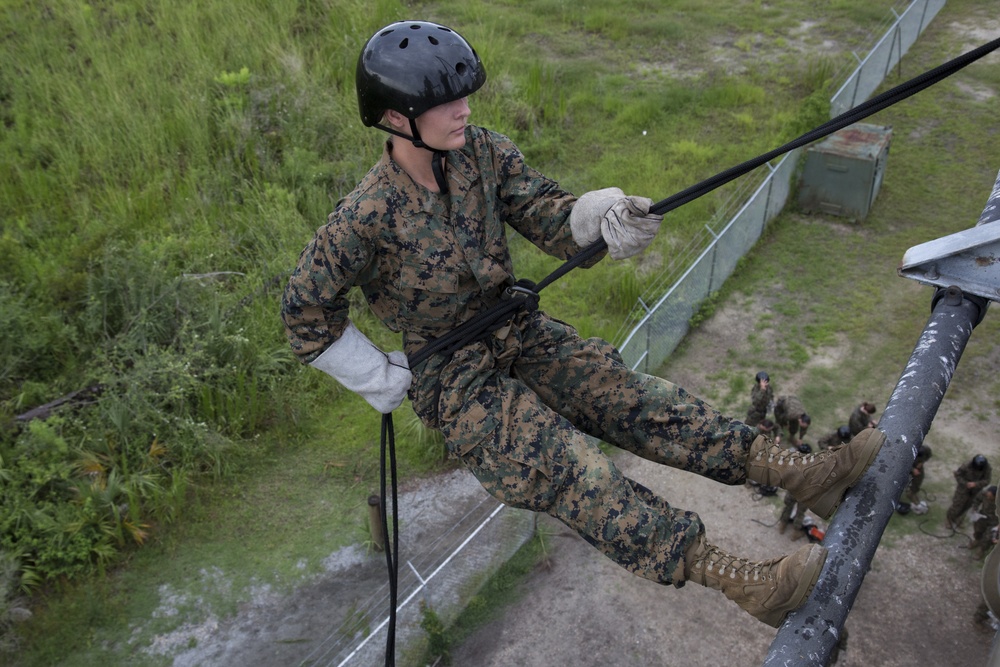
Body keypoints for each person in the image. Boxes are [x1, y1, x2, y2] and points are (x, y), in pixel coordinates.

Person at [280, 20, 885, 629]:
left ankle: (802, 475)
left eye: (466, 95)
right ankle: (746, 584)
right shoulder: (364, 218)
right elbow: (303, 312)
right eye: (446, 102)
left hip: (519, 332)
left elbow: (545, 211)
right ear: (396, 118)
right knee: (578, 473)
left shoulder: (483, 155)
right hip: (456, 381)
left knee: (632, 398)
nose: (465, 110)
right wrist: (374, 375)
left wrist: (601, 217)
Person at [946, 455, 992, 530]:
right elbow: (957, 475)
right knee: (957, 504)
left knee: (967, 505)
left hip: (975, 490)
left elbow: (987, 480)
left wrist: (976, 484)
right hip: (964, 487)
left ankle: (957, 517)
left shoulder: (986, 467)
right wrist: (965, 483)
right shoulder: (966, 465)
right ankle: (949, 519)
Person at [970, 485, 998, 559]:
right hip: (983, 516)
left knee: (988, 537)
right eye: (987, 496)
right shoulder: (984, 493)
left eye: (990, 497)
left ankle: (981, 550)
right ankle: (977, 539)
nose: (988, 498)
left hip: (994, 522)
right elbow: (976, 500)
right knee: (977, 528)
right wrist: (975, 509)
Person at [905, 444, 932, 509]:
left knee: (919, 479)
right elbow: (903, 463)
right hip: (908, 467)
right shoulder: (908, 453)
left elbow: (929, 455)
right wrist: (912, 469)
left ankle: (913, 490)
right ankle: (910, 493)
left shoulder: (925, 450)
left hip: (917, 467)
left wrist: (922, 463)